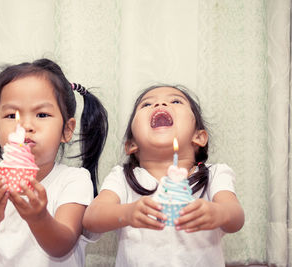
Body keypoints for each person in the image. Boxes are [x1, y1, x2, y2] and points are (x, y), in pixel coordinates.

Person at [0, 58, 108, 266]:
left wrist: (39, 218)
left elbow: (62, 245)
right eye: (11, 115)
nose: (26, 125)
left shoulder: (74, 180)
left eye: (42, 114)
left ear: (67, 130)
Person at [83, 85, 244, 266]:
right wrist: (127, 213)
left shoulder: (214, 174)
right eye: (146, 104)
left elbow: (236, 217)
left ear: (199, 137)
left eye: (176, 101)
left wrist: (219, 213)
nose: (160, 103)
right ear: (131, 145)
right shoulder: (122, 178)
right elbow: (91, 218)